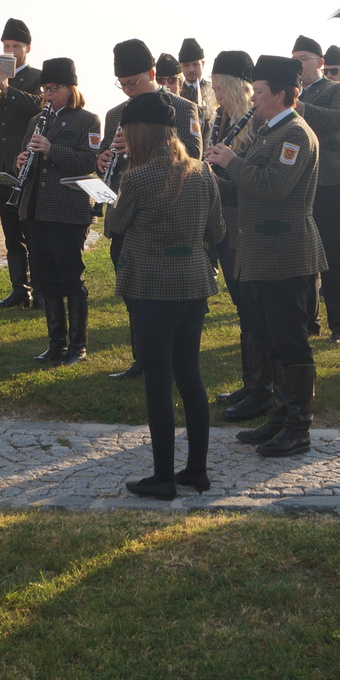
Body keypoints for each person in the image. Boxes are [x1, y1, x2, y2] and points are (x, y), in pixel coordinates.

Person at [106, 92, 225, 499]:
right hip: (193, 284)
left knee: (157, 381)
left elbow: (116, 225)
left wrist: (111, 193)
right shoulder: (203, 172)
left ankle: (162, 477)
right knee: (190, 376)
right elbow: (217, 231)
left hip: (151, 288)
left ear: (139, 133)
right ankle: (197, 470)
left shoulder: (136, 177)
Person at [206, 55, 324, 458]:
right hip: (260, 252)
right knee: (271, 340)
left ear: (281, 93)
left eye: (258, 91)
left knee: (291, 344)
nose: (252, 98)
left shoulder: (295, 134)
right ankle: (278, 416)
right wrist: (210, 177)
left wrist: (231, 162)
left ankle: (298, 427)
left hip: (285, 253)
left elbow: (274, 186)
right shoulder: (268, 131)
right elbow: (246, 189)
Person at [97, 39, 204, 380]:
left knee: (165, 296)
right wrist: (102, 160)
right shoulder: (116, 114)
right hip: (126, 214)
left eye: (134, 83)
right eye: (123, 85)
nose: (129, 91)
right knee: (133, 292)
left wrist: (138, 149)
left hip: (167, 213)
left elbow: (194, 155)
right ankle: (142, 357)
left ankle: (169, 361)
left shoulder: (183, 108)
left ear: (153, 73)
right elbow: (106, 157)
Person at [14, 57, 100, 365]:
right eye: (45, 89)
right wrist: (21, 161)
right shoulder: (37, 120)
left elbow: (89, 162)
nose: (48, 94)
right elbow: (25, 156)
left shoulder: (87, 120)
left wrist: (52, 149)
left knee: (70, 277)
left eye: (54, 88)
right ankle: (55, 344)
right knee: (45, 279)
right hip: (35, 208)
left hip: (67, 211)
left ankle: (78, 346)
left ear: (70, 87)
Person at [203, 51, 273, 420]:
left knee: (253, 306)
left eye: (220, 89)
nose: (215, 97)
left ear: (234, 88)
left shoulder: (257, 124)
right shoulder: (222, 119)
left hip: (243, 221)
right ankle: (252, 382)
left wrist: (222, 171)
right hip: (224, 220)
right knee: (242, 306)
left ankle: (262, 389)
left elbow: (255, 179)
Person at [0, 17, 43, 309]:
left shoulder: (38, 77)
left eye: (16, 46)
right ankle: (19, 289)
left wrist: (8, 89)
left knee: (32, 231)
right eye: (6, 46)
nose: (10, 51)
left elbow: (40, 106)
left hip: (27, 164)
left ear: (27, 48)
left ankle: (40, 290)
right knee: (11, 232)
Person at [293, 36, 340, 344]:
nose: (298, 65)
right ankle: (308, 320)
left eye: (303, 59)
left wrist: (299, 106)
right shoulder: (293, 93)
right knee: (303, 256)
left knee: (335, 253)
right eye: (294, 59)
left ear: (320, 63)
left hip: (333, 182)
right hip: (300, 182)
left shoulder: (339, 89)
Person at [179, 37, 219, 139]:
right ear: (180, 67)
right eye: (186, 65)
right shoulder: (177, 93)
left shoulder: (214, 90)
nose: (191, 69)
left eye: (195, 64)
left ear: (203, 64)